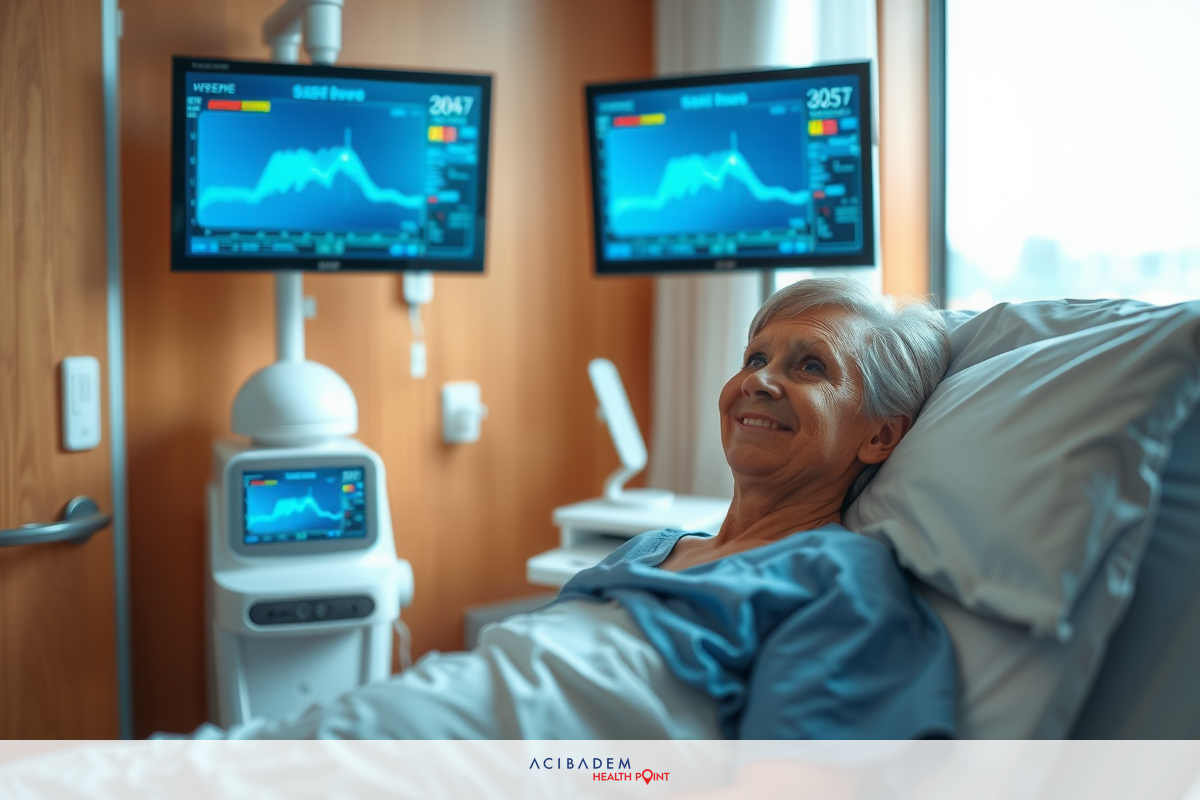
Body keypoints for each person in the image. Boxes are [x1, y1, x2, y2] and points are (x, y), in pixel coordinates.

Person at [190, 277, 956, 741]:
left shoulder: (842, 581)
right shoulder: (650, 549)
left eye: (809, 366)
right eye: (755, 357)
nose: (758, 381)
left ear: (880, 436)